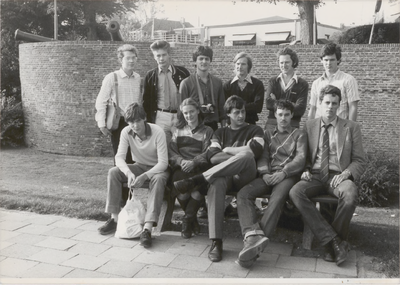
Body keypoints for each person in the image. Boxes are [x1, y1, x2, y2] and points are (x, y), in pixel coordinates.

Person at [173, 95, 264, 262]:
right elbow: (213, 156)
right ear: (228, 114)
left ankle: (198, 179)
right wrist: (240, 153)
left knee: (247, 157)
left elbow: (254, 152)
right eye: (236, 112)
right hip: (224, 176)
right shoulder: (220, 132)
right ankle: (216, 241)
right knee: (216, 182)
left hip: (246, 177)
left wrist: (228, 149)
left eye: (243, 112)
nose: (241, 116)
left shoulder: (255, 130)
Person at [289, 85, 366, 266]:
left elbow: (360, 160)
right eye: (327, 103)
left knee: (350, 194)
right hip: (314, 175)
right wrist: (305, 169)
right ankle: (334, 242)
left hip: (338, 176)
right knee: (295, 192)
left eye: (334, 103)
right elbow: (303, 155)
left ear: (339, 105)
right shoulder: (310, 125)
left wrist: (347, 173)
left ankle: (331, 245)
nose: (330, 107)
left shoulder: (351, 127)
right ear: (320, 103)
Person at [235, 100, 307, 268]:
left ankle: (252, 246)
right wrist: (265, 173)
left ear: (292, 115)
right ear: (275, 115)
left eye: (287, 115)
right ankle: (251, 236)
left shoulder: (299, 134)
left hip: (287, 176)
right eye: (280, 114)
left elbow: (300, 159)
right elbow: (263, 156)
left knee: (277, 198)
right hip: (269, 174)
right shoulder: (267, 134)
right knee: (244, 194)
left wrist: (284, 172)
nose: (283, 118)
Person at [98, 103, 169, 249]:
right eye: (131, 122)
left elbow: (163, 163)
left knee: (159, 178)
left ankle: (147, 229)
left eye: (137, 121)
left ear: (144, 118)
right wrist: (129, 173)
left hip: (157, 169)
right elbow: (119, 158)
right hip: (139, 165)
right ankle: (115, 219)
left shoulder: (157, 132)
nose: (134, 125)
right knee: (114, 172)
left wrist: (144, 176)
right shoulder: (126, 131)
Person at [169, 98, 214, 239]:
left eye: (192, 112)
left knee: (197, 191)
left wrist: (194, 162)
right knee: (182, 192)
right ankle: (191, 219)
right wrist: (182, 161)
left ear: (198, 111)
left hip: (199, 167)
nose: (189, 115)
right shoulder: (177, 130)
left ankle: (186, 220)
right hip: (181, 167)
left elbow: (208, 152)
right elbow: (172, 152)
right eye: (186, 113)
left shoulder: (207, 130)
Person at [95, 44, 141, 163]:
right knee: (121, 156)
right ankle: (119, 180)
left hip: (136, 122)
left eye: (133, 57)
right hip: (119, 122)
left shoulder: (138, 78)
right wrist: (101, 124)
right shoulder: (112, 77)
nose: (131, 60)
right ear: (121, 59)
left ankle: (132, 180)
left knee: (135, 155)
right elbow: (101, 101)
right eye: (127, 58)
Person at [142, 40, 190, 143]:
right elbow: (146, 101)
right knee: (162, 147)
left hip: (179, 115)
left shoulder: (182, 72)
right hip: (161, 116)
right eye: (158, 56)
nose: (161, 58)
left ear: (169, 55)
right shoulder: (150, 76)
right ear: (154, 57)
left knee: (180, 146)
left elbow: (189, 96)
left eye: (164, 55)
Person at [179, 45, 226, 131]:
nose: (204, 61)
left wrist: (224, 129)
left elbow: (222, 108)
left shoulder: (217, 82)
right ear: (195, 61)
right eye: (201, 59)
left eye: (207, 59)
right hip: (194, 126)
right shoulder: (186, 83)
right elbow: (182, 111)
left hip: (213, 127)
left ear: (210, 61)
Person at [308, 43, 359, 121]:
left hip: (340, 128)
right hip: (320, 128)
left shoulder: (348, 80)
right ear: (321, 61)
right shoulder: (316, 83)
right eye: (326, 60)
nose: (328, 63)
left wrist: (350, 129)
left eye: (332, 60)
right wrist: (310, 128)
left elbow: (353, 106)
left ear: (338, 60)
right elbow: (313, 108)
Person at [265, 47, 308, 129]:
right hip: (272, 124)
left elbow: (300, 110)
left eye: (287, 62)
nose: (284, 65)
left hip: (293, 124)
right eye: (281, 62)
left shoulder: (302, 84)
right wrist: (291, 104)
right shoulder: (273, 81)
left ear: (294, 62)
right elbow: (268, 104)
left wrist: (276, 101)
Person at [223, 52, 265, 125]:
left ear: (248, 66)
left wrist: (235, 107)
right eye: (238, 64)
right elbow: (226, 108)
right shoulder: (227, 86)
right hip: (232, 125)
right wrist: (249, 106)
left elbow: (258, 107)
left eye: (243, 64)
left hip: (250, 124)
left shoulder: (257, 84)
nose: (240, 66)